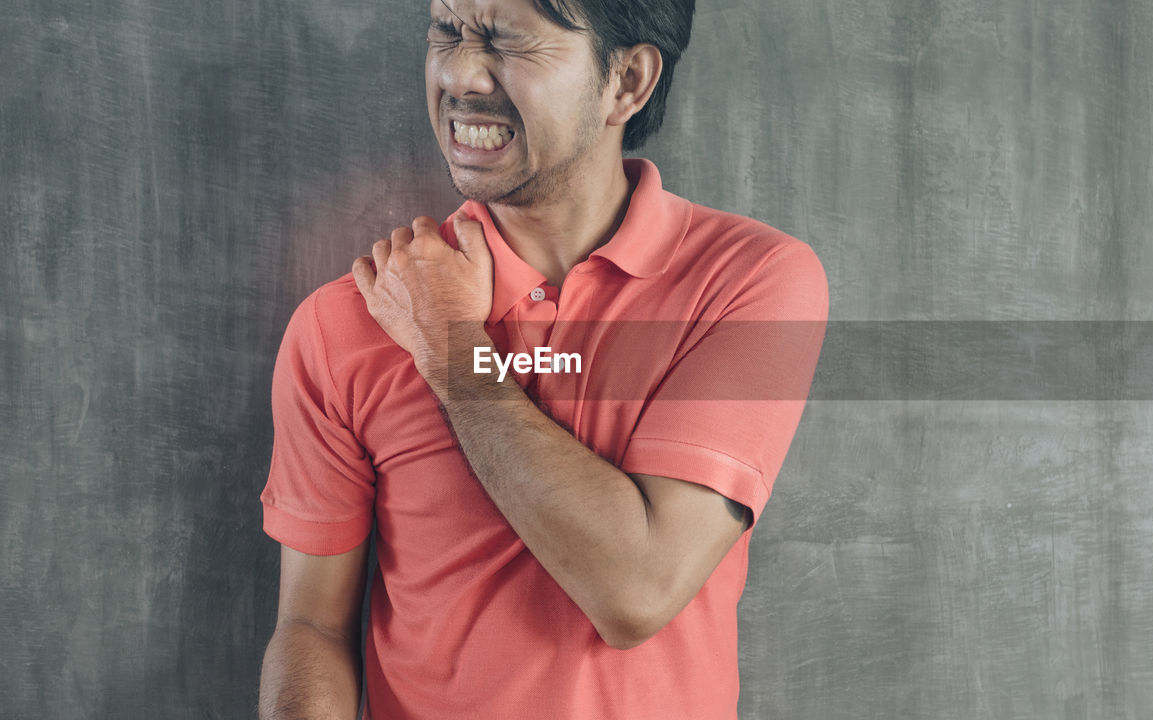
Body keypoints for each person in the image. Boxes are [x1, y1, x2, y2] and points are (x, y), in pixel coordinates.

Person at [257, 0, 827, 717]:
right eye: (447, 31)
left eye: (505, 41)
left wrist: (452, 353)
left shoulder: (751, 282)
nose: (460, 72)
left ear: (627, 82)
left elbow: (637, 591)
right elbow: (312, 624)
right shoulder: (346, 321)